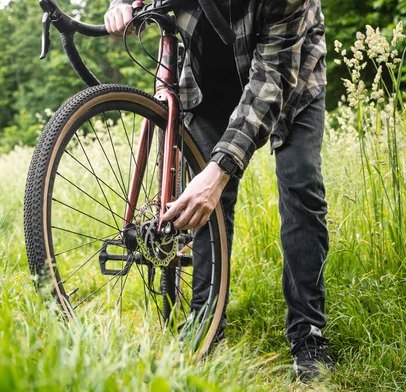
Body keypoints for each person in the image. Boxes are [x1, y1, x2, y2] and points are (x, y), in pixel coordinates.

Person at [105, 0, 334, 381]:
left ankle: (308, 335)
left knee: (300, 187)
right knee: (207, 205)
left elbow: (270, 81)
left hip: (288, 71)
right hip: (208, 75)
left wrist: (219, 170)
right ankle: (205, 320)